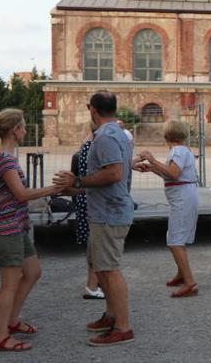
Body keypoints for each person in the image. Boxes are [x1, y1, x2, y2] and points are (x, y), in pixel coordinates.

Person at [54, 90, 136, 347]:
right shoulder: (117, 134)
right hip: (104, 210)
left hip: (110, 213)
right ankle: (111, 316)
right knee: (100, 266)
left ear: (93, 110)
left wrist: (77, 180)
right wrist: (75, 188)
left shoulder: (106, 137)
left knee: (109, 269)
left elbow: (113, 174)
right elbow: (107, 177)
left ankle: (123, 327)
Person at [0, 109, 62, 352]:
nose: (26, 131)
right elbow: (21, 194)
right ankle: (0, 336)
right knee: (9, 283)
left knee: (33, 271)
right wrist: (53, 189)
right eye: (24, 126)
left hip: (14, 225)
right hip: (5, 228)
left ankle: (12, 321)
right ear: (14, 130)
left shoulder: (5, 156)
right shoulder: (5, 159)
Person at [133, 120, 200, 298]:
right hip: (184, 195)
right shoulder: (181, 150)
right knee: (177, 237)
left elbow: (174, 174)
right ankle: (182, 275)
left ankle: (190, 282)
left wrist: (152, 160)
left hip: (182, 198)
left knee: (175, 240)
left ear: (166, 135)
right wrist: (152, 168)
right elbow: (172, 173)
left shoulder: (177, 151)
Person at [70, 123, 105, 300]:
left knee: (94, 245)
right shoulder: (96, 147)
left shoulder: (85, 146)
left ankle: (96, 282)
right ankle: (92, 285)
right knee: (97, 245)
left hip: (85, 199)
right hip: (93, 200)